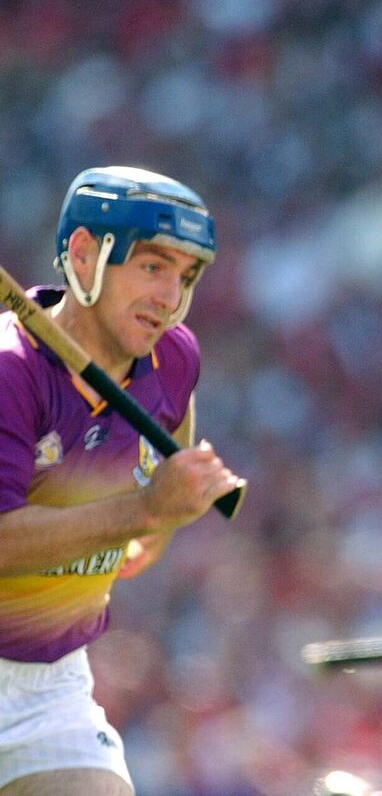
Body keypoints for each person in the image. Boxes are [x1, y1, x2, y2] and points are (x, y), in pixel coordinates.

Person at [0, 166, 241, 796]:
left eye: (186, 276)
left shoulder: (174, 355)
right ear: (84, 256)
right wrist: (141, 512)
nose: (170, 296)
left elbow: (170, 446)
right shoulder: (9, 372)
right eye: (153, 267)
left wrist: (163, 512)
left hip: (48, 682)